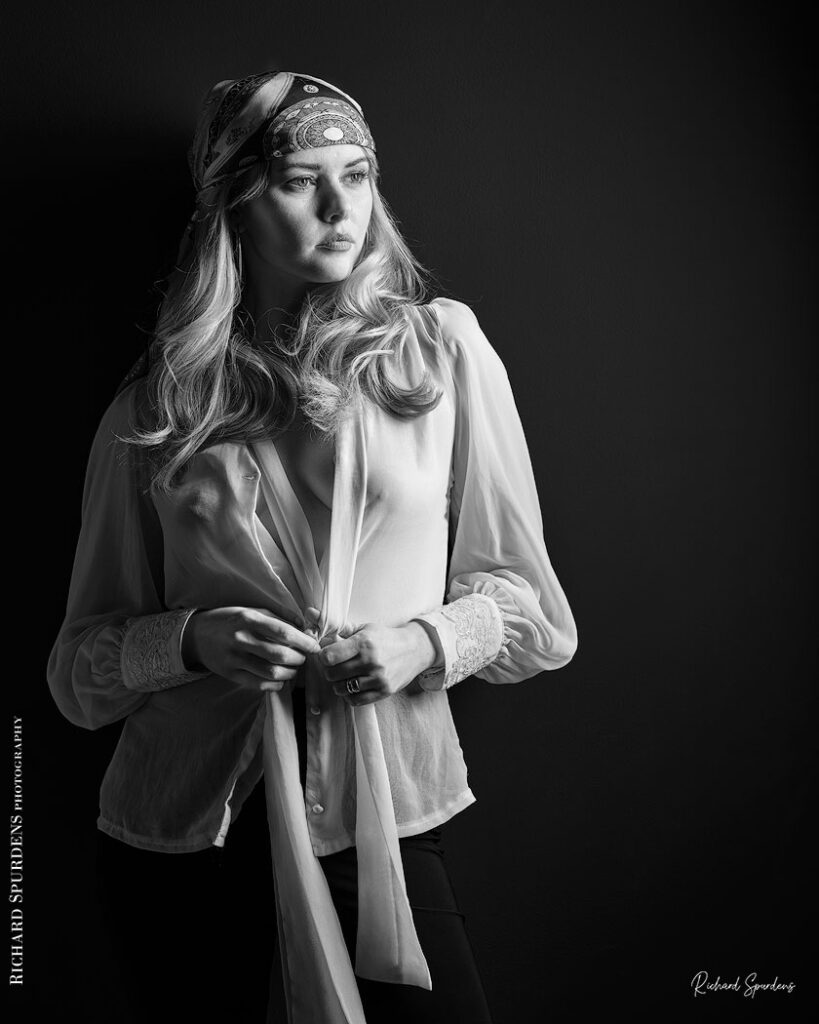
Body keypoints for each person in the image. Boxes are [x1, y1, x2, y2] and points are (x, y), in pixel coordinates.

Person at [47, 70, 579, 1024]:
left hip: (381, 820)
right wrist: (194, 639)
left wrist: (424, 641)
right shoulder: (157, 409)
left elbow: (530, 609)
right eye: (299, 180)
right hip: (182, 838)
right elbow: (77, 673)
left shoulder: (439, 354)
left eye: (359, 174)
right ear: (236, 204)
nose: (342, 208)